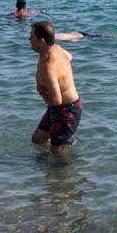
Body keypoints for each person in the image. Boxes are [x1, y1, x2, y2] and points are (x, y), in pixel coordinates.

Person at [29, 21, 81, 155]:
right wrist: (63, 76)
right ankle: (46, 162)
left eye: (31, 36)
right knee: (38, 139)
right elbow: (69, 57)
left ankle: (62, 167)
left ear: (41, 41)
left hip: (67, 110)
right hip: (58, 109)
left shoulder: (49, 66)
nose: (29, 39)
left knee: (58, 151)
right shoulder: (56, 48)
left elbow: (57, 100)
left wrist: (42, 92)